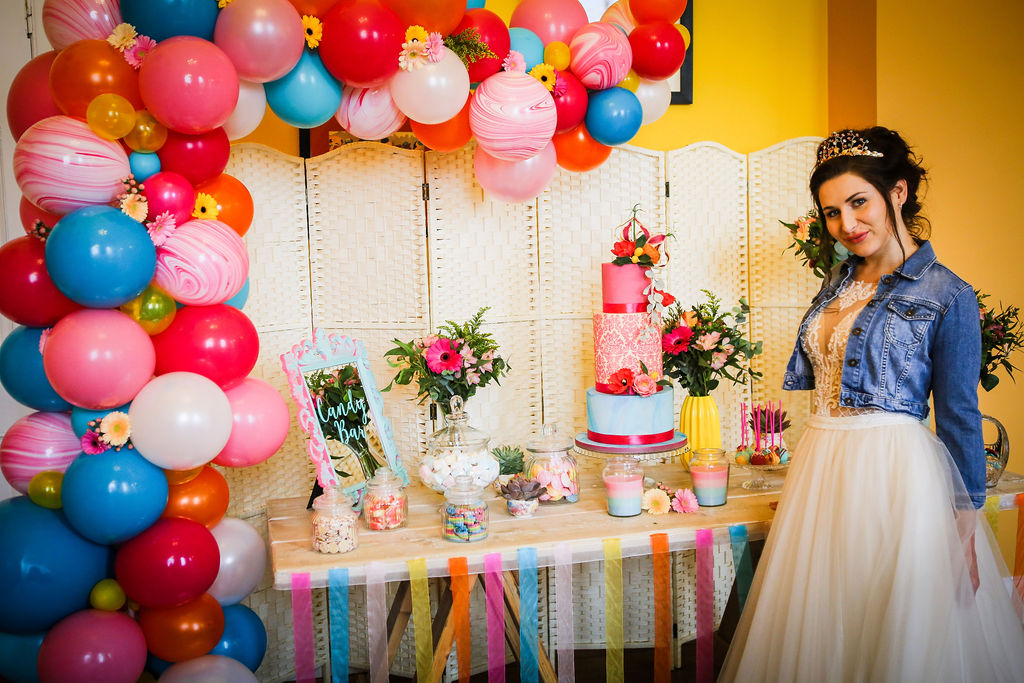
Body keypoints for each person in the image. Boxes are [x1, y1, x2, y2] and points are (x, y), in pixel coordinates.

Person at [719, 127, 1024, 682]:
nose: (847, 224)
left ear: (899, 193)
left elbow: (959, 415)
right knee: (824, 621)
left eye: (859, 202)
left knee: (897, 630)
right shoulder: (836, 283)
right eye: (832, 212)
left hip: (895, 477)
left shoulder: (946, 295)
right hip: (821, 465)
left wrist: (963, 531)